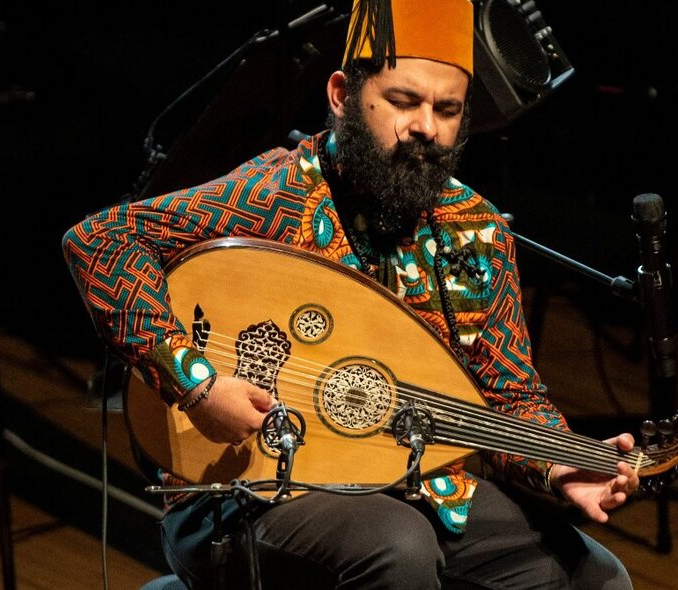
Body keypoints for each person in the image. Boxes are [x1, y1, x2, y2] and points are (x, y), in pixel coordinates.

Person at [63, 1, 639, 587]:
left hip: (424, 488)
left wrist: (561, 464)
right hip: (247, 494)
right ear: (341, 95)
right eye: (402, 101)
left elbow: (511, 396)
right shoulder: (279, 194)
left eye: (447, 110)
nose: (425, 127)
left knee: (595, 576)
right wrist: (197, 385)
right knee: (396, 546)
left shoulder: (477, 229)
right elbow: (101, 239)